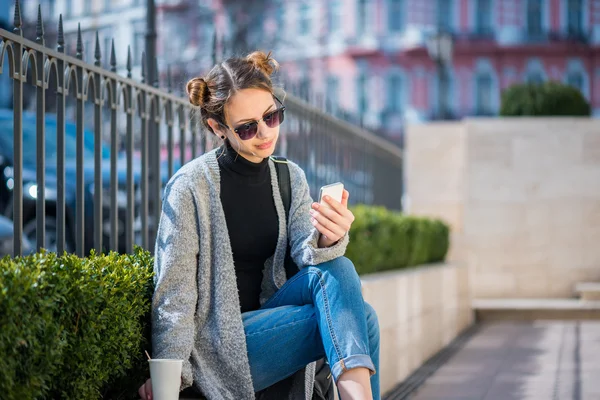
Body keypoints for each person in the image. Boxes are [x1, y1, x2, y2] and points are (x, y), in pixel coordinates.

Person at [138, 51, 380, 400]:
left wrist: (328, 237)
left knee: (341, 271)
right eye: (247, 127)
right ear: (217, 127)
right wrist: (172, 372)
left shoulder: (289, 177)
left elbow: (305, 254)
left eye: (272, 116)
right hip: (221, 345)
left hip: (275, 321)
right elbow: (174, 295)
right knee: (356, 318)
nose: (265, 133)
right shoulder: (190, 187)